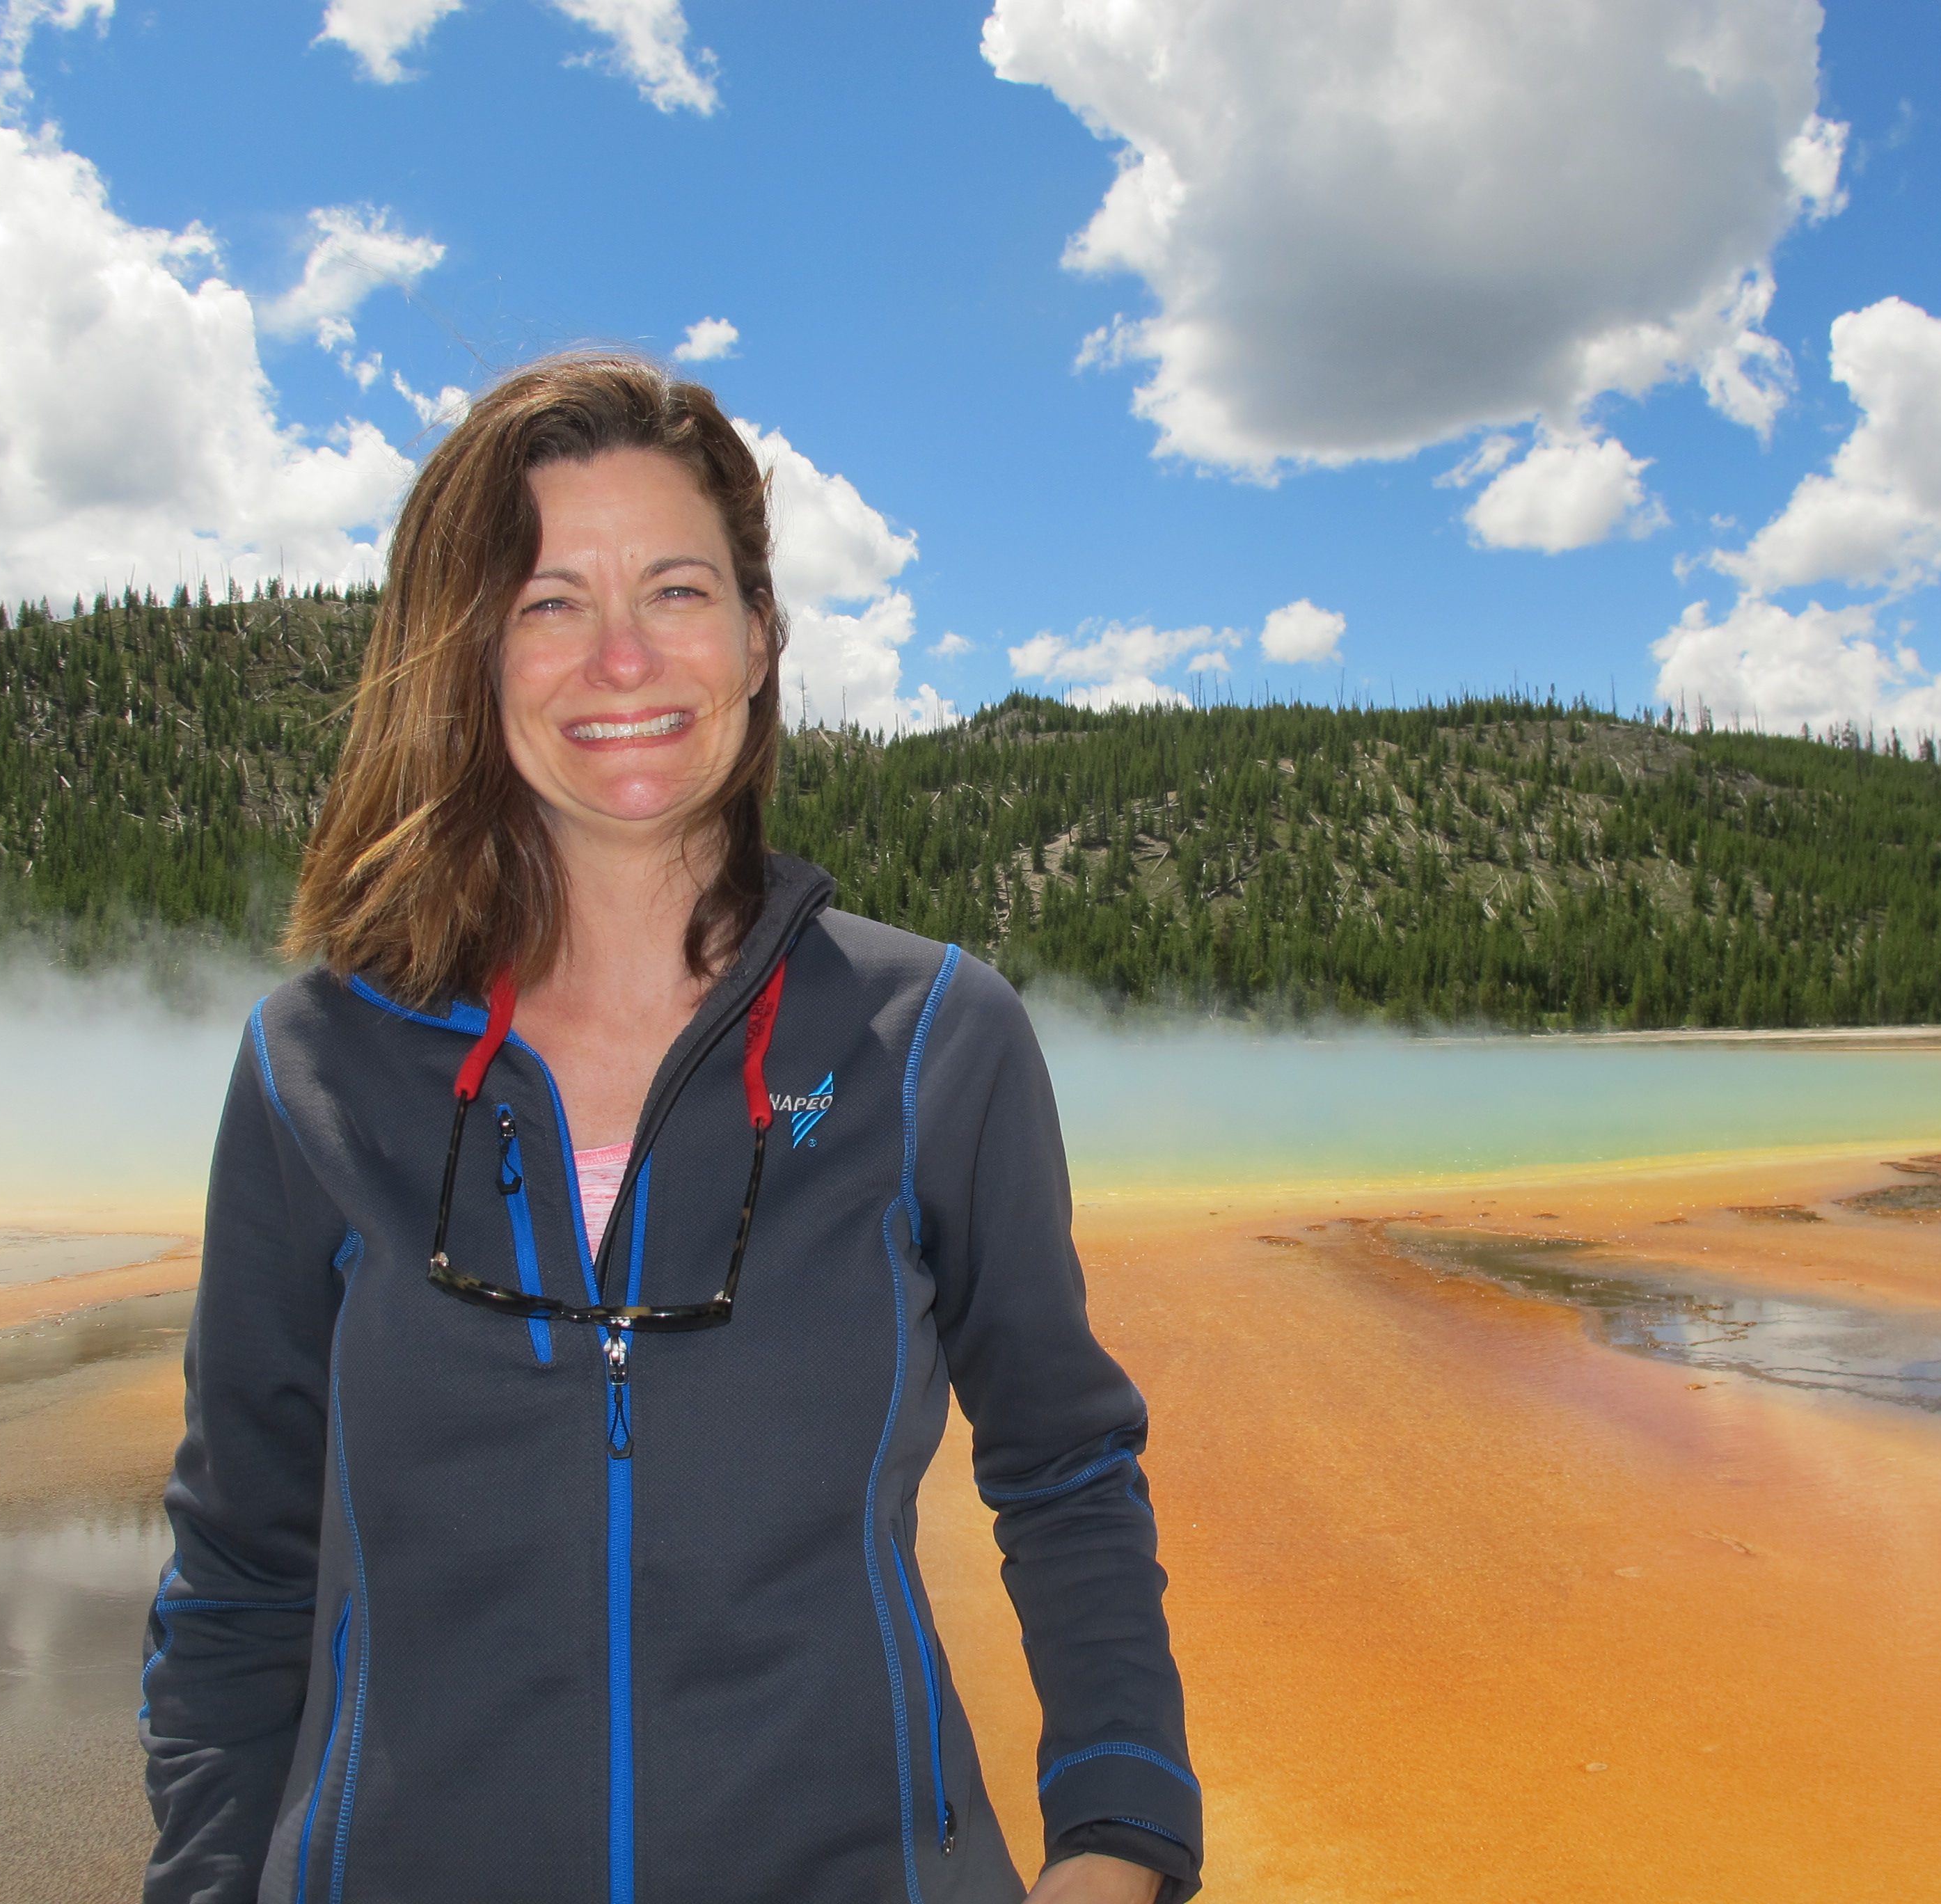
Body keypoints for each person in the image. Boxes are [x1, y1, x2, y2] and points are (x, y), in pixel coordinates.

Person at [139, 354, 1201, 1904]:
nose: (621, 657)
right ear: (469, 651)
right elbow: (242, 1570)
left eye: (678, 590)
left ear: (759, 635)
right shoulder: (315, 1064)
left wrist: (1117, 1840)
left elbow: (1066, 1468)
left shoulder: (931, 1041)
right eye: (549, 600)